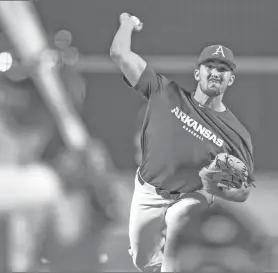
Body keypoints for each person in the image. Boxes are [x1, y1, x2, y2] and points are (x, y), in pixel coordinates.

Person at [109, 13, 254, 272]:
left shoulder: (236, 133)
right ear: (197, 72)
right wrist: (127, 24)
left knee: (176, 237)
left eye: (223, 69)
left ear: (230, 79)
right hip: (148, 191)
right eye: (210, 66)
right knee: (144, 262)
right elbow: (120, 54)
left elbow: (241, 190)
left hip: (190, 197)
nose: (216, 73)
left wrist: (216, 180)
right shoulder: (166, 93)